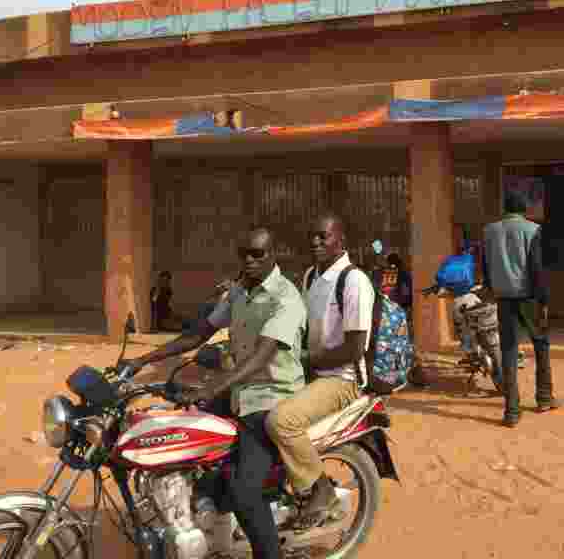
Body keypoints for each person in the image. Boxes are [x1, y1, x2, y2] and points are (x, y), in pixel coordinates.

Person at [120, 228, 306, 559]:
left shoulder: (286, 298)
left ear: (274, 254)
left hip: (270, 397)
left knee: (245, 491)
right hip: (237, 390)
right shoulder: (239, 293)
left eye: (257, 254)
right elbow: (199, 334)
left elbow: (259, 359)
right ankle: (202, 521)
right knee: (185, 437)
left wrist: (210, 388)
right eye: (244, 253)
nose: (249, 260)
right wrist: (141, 360)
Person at [266, 213, 374, 527]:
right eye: (312, 236)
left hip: (342, 380)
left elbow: (355, 349)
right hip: (312, 373)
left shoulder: (354, 281)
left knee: (281, 420)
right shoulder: (312, 276)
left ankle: (322, 490)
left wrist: (306, 361)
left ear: (341, 240)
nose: (315, 242)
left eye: (323, 236)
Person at [482, 189, 557, 428]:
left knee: (509, 352)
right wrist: (544, 300)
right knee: (541, 343)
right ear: (524, 209)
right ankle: (544, 398)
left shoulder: (490, 231)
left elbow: (486, 265)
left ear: (505, 208)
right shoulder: (532, 230)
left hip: (504, 298)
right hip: (529, 297)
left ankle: (511, 412)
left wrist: (491, 289)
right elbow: (536, 268)